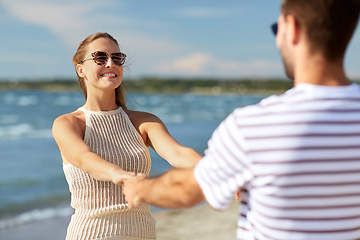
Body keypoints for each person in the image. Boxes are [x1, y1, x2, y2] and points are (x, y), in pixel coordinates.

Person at [123, 0, 360, 239]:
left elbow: (185, 190)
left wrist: (141, 189)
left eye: (276, 29)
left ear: (292, 28)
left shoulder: (254, 126)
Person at [52, 32, 202, 240]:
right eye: (100, 57)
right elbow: (83, 158)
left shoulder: (143, 121)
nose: (110, 63)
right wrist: (121, 176)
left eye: (117, 58)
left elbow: (177, 153)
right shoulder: (68, 123)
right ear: (81, 70)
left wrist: (219, 172)